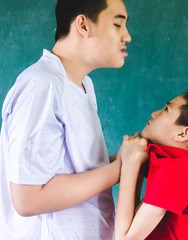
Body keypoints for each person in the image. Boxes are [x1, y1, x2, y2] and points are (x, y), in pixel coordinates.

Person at [0, 0, 131, 239]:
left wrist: (124, 160)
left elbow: (72, 171)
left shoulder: (82, 85)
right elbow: (28, 198)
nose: (127, 37)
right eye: (117, 24)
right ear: (83, 24)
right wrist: (122, 168)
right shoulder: (43, 84)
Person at [115, 84, 188, 240]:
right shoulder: (171, 160)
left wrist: (132, 164)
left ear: (183, 133)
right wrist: (133, 162)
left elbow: (125, 239)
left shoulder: (181, 170)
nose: (154, 113)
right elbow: (109, 166)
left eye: (166, 110)